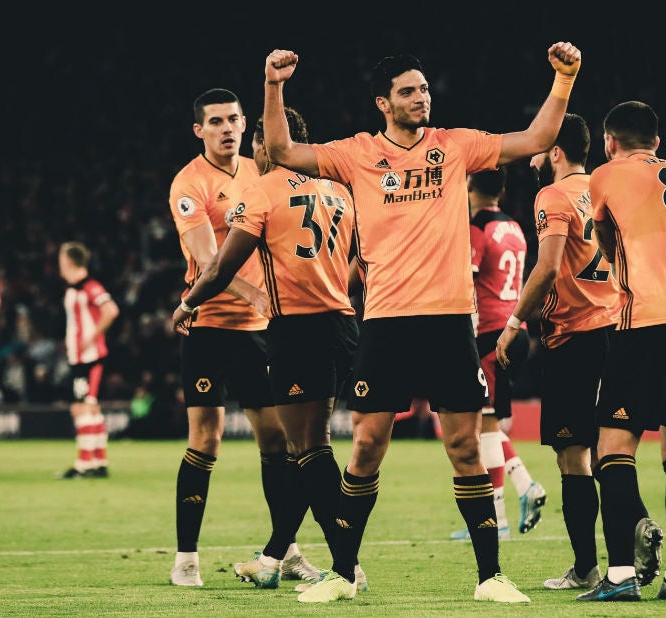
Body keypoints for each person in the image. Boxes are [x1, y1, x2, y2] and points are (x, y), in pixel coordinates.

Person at [261, 41, 584, 603]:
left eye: (424, 88)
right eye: (408, 91)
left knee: (464, 446)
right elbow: (283, 150)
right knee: (366, 446)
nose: (421, 98)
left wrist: (564, 80)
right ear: (382, 103)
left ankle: (491, 577)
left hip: (451, 320)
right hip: (386, 321)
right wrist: (273, 87)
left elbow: (534, 141)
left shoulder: (454, 146)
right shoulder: (357, 152)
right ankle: (342, 573)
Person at [173, 108, 367, 598]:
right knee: (313, 447)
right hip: (343, 325)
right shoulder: (337, 187)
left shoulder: (260, 188)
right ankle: (277, 555)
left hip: (292, 330)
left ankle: (346, 567)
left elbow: (215, 268)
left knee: (310, 453)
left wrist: (187, 302)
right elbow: (358, 263)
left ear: (266, 143)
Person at [166, 88, 319, 588]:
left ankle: (287, 549)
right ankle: (186, 560)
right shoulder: (190, 184)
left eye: (234, 119)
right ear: (199, 130)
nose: (227, 129)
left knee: (277, 441)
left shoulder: (259, 172)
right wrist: (255, 293)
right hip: (209, 328)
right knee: (205, 440)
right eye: (216, 122)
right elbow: (210, 262)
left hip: (259, 334)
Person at [579, 101, 666, 602]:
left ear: (610, 142)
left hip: (645, 319)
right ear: (657, 143)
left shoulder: (606, 173)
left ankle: (618, 577)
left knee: (613, 447)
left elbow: (601, 237)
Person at [496, 113, 618, 591]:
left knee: (573, 457)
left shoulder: (552, 194)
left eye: (543, 145)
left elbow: (546, 269)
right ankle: (632, 543)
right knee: (615, 451)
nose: (536, 154)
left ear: (557, 151)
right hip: (618, 328)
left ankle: (586, 567)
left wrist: (513, 323)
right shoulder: (606, 187)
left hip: (573, 337)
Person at [450, 167, 546, 542]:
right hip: (516, 330)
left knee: (485, 426)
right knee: (488, 423)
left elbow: (466, 283)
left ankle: (509, 506)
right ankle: (512, 500)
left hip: (490, 334)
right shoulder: (516, 229)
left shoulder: (478, 230)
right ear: (503, 190)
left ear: (469, 187)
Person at [55, 241, 120, 479]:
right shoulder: (74, 289)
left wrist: (91, 337)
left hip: (88, 358)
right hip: (80, 357)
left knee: (81, 408)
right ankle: (99, 461)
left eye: (61, 260)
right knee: (90, 408)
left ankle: (84, 465)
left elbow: (111, 310)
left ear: (69, 261)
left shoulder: (89, 287)